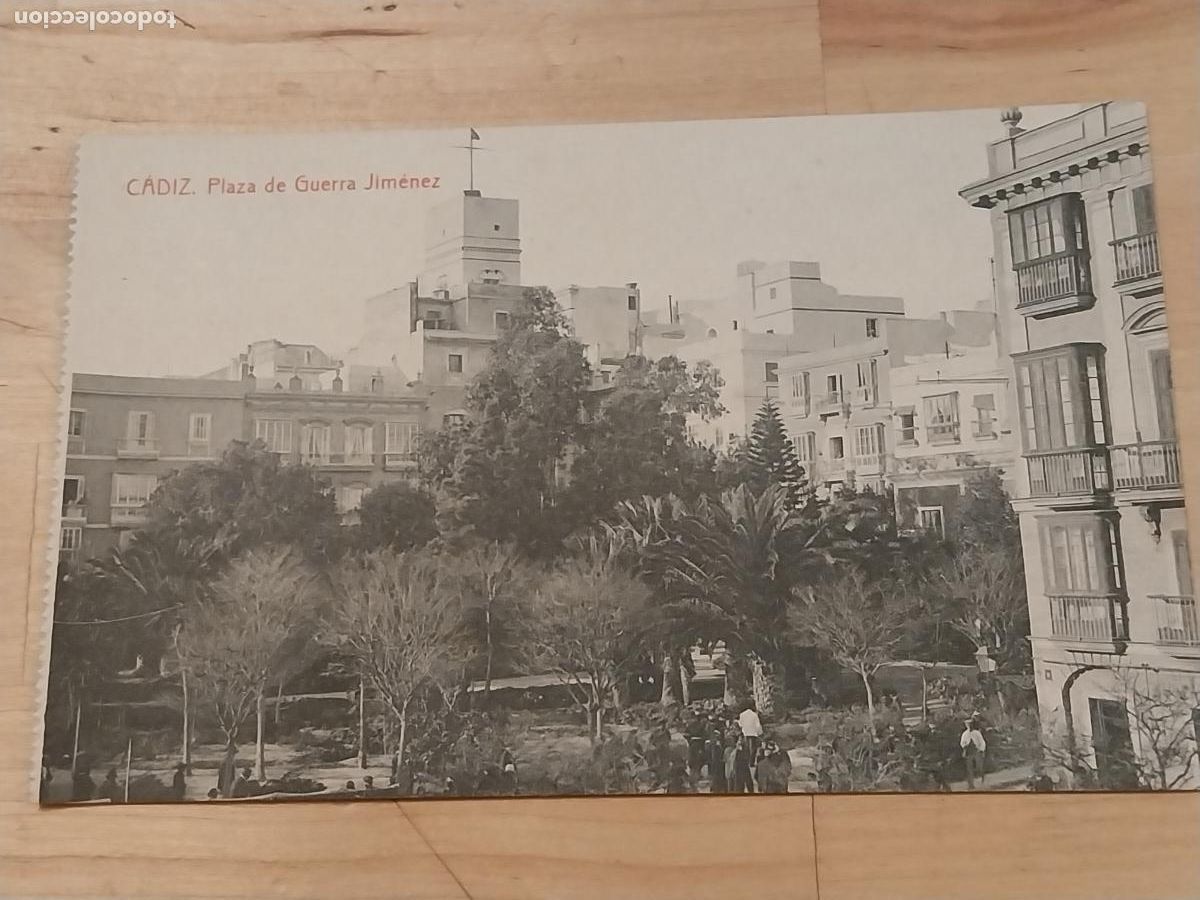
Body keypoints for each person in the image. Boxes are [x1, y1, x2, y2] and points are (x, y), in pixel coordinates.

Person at [960, 718, 987, 790]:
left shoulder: (977, 733)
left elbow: (982, 742)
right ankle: (971, 785)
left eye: (970, 724)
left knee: (979, 767)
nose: (969, 726)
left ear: (972, 725)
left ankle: (982, 778)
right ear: (966, 725)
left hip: (976, 751)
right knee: (969, 769)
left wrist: (981, 750)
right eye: (967, 725)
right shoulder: (965, 734)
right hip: (969, 752)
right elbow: (962, 743)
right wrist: (965, 745)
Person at [737, 701, 763, 769]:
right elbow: (758, 725)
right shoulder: (754, 715)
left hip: (745, 733)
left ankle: (746, 762)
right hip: (753, 733)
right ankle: (751, 763)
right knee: (753, 748)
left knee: (746, 748)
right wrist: (760, 732)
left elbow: (740, 724)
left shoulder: (742, 714)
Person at [705, 724, 727, 793]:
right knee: (716, 777)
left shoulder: (710, 744)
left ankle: (716, 788)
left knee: (715, 777)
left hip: (715, 763)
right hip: (717, 763)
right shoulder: (714, 745)